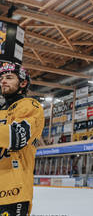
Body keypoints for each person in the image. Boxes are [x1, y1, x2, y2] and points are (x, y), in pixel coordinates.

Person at [0, 61, 44, 216]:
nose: (3, 81)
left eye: (9, 77)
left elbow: (17, 137)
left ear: (23, 83)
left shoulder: (31, 105)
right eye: (2, 78)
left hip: (13, 192)